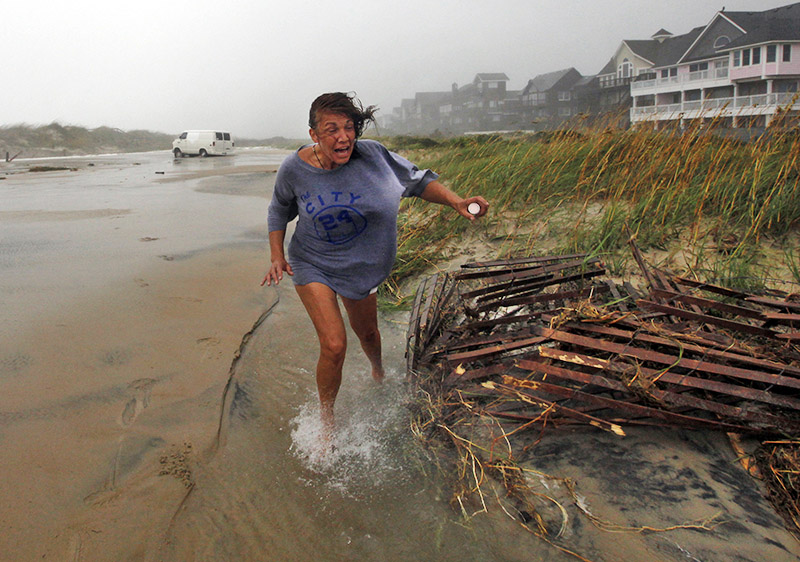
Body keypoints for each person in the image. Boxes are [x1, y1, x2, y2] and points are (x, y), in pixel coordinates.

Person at [262, 92, 488, 439]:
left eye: (349, 128)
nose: (343, 137)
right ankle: (326, 423)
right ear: (314, 135)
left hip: (362, 268)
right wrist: (277, 254)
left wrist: (457, 202)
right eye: (331, 129)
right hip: (313, 263)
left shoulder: (374, 156)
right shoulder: (295, 169)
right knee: (335, 345)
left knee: (367, 333)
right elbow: (279, 208)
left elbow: (419, 182)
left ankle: (378, 372)